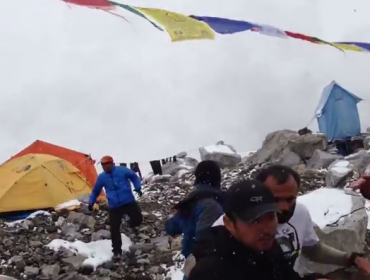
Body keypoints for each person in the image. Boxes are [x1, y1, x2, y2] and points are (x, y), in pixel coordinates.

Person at [212, 165, 370, 274]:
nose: (283, 207)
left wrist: (352, 259)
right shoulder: (232, 224)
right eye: (275, 199)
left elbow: (312, 249)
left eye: (290, 199)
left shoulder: (300, 213)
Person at [188, 179, 329, 280]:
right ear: (229, 223)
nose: (267, 229)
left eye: (271, 216)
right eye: (254, 220)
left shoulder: (270, 249)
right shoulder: (209, 272)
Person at [165, 160, 226, 280]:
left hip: (191, 264)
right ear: (217, 179)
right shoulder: (211, 204)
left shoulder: (191, 201)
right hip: (207, 268)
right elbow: (206, 242)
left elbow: (171, 228)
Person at [88, 156, 143, 259]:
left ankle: (128, 226)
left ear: (112, 163)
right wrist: (91, 202)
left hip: (128, 201)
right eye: (103, 165)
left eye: (106, 164)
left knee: (138, 219)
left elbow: (134, 177)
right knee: (114, 229)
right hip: (114, 206)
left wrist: (138, 187)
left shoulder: (122, 170)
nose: (104, 167)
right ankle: (117, 251)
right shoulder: (102, 177)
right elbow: (96, 191)